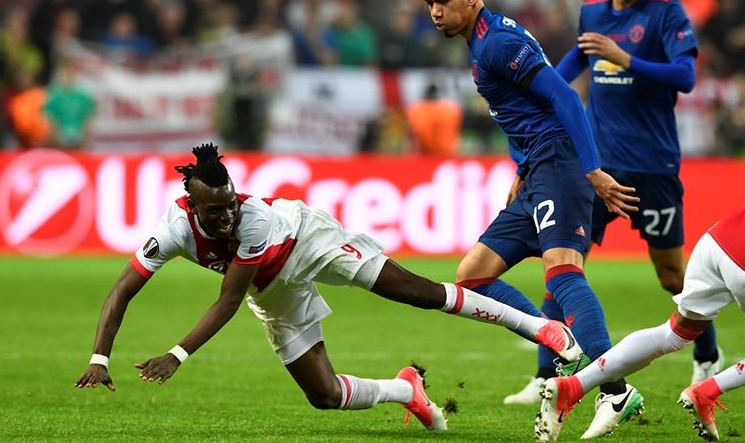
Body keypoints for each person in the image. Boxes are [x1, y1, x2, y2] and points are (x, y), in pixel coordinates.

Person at [75, 143, 584, 432]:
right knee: (322, 395)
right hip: (272, 289)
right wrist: (100, 359)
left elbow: (227, 300)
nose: (227, 213)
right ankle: (406, 389)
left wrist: (177, 355)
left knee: (414, 290)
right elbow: (122, 290)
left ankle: (542, 329)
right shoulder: (172, 233)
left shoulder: (249, 221)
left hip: (306, 240)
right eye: (215, 210)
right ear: (192, 205)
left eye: (230, 201)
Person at [422, 0, 643, 439]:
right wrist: (522, 169)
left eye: (443, 0)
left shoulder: (498, 43)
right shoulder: (481, 41)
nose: (435, 11)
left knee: (563, 274)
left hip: (561, 162)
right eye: (429, 3)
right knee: (472, 277)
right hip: (536, 169)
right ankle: (557, 336)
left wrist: (592, 171)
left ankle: (616, 391)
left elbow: (563, 97)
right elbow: (518, 111)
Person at [507, 0, 722, 408]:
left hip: (653, 166)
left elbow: (685, 77)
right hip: (600, 168)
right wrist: (529, 90)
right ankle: (546, 372)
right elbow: (565, 78)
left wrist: (622, 57)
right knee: (563, 263)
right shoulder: (592, 13)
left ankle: (707, 354)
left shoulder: (666, 13)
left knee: (671, 276)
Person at [536, 207, 745, 442]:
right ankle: (707, 390)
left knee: (674, 333)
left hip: (717, 240)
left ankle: (574, 386)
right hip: (741, 260)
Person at [405, 81, 463, 155]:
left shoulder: (415, 110)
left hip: (424, 157)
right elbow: (457, 136)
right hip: (447, 154)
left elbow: (411, 139)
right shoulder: (451, 110)